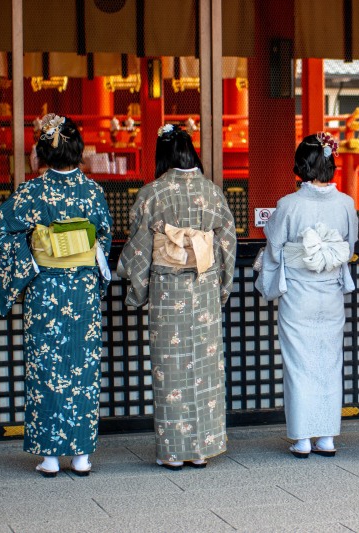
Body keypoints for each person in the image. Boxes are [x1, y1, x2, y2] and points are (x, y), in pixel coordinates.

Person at [0, 114, 113, 477]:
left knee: (47, 368)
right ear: (79, 151)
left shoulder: (31, 192)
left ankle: (50, 458)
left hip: (45, 290)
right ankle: (82, 456)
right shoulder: (92, 191)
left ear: (41, 153)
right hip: (83, 288)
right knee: (82, 367)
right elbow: (104, 238)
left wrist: (27, 259)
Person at [117, 124, 237, 470]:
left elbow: (139, 249)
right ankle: (201, 449)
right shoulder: (213, 192)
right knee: (204, 366)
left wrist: (135, 291)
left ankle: (172, 451)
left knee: (170, 368)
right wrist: (223, 286)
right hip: (203, 287)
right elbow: (226, 244)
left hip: (168, 290)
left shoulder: (152, 193)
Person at [255, 132, 358, 459]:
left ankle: (302, 438)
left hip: (298, 295)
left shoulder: (288, 205)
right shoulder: (346, 204)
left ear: (301, 166)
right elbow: (349, 245)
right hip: (330, 294)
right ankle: (326, 436)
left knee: (299, 364)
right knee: (330, 362)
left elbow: (274, 245)